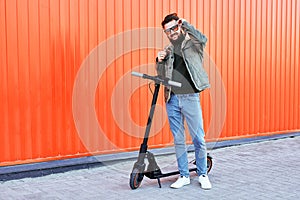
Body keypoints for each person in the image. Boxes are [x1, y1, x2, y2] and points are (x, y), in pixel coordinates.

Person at [156, 13, 212, 189]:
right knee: (178, 140)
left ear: (179, 26)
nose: (171, 32)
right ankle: (184, 175)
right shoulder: (168, 50)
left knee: (198, 138)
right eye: (167, 30)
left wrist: (186, 24)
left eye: (174, 27)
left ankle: (202, 174)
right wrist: (158, 61)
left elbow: (203, 39)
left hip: (190, 98)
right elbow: (161, 74)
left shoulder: (192, 44)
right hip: (172, 99)